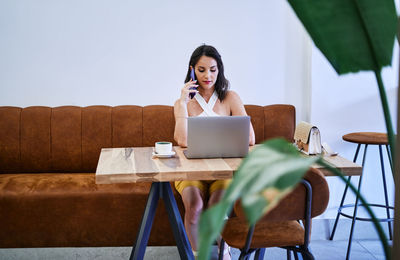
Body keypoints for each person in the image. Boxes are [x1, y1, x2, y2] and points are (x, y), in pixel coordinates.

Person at [174, 44, 255, 259]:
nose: (207, 75)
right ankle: (196, 253)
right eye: (201, 70)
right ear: (192, 70)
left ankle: (223, 250)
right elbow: (182, 140)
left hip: (224, 172)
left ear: (219, 69)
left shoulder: (230, 98)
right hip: (191, 172)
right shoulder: (183, 104)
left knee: (216, 204)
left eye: (213, 69)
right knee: (195, 205)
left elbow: (250, 138)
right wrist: (183, 103)